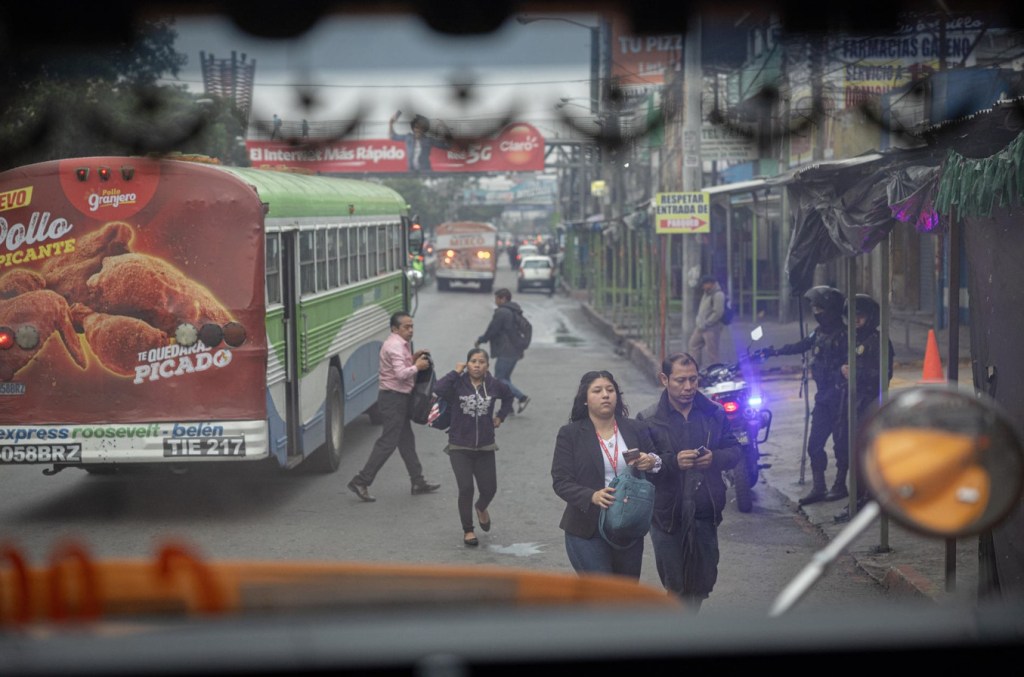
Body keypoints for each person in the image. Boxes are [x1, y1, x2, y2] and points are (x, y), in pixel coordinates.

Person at [636, 352, 741, 612]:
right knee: (676, 585)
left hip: (705, 509)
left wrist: (714, 458)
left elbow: (736, 451)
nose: (688, 387)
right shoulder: (648, 419)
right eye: (680, 380)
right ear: (664, 379)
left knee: (702, 581)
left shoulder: (713, 413)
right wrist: (672, 462)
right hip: (666, 514)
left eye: (693, 380)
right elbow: (640, 466)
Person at [551, 370, 663, 580]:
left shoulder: (636, 429)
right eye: (597, 391)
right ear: (585, 399)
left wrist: (652, 462)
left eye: (610, 390)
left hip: (628, 525)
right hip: (586, 528)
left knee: (625, 596)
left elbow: (659, 462)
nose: (605, 395)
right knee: (601, 596)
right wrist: (592, 496)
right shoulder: (570, 434)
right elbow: (561, 481)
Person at [762, 285, 847, 506]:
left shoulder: (846, 336)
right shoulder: (818, 333)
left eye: (820, 308)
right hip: (823, 399)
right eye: (814, 308)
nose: (816, 312)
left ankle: (840, 485)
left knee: (841, 445)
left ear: (831, 309)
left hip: (841, 399)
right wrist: (776, 351)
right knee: (814, 444)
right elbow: (802, 345)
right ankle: (819, 486)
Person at [348, 312, 441, 502]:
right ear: (394, 329)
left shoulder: (398, 344)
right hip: (393, 400)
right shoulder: (395, 346)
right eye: (406, 327)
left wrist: (413, 358)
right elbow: (400, 374)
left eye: (412, 326)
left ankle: (418, 481)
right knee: (388, 442)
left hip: (397, 398)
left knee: (406, 441)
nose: (410, 330)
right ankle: (361, 481)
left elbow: (398, 366)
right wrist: (418, 367)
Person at [432, 348, 514, 547]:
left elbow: (509, 397)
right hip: (459, 445)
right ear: (467, 364)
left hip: (485, 446)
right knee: (466, 488)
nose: (477, 365)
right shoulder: (457, 384)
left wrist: (500, 416)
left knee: (489, 489)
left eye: (481, 362)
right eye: (473, 361)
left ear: (487, 366)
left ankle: (481, 507)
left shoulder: (494, 385)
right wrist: (455, 372)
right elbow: (438, 389)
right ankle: (468, 530)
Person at [833, 294, 895, 523]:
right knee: (846, 449)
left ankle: (864, 501)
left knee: (866, 454)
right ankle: (857, 497)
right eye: (853, 316)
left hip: (869, 405)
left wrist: (856, 374)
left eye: (860, 316)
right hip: (849, 402)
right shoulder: (851, 339)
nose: (856, 320)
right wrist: (842, 372)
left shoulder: (878, 342)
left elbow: (884, 375)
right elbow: (838, 369)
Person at [475, 288, 531, 414]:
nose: (495, 301)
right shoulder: (513, 311)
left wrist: (481, 340)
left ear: (503, 298)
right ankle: (508, 407)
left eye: (497, 298)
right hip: (514, 350)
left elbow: (492, 330)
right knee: (505, 378)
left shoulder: (503, 312)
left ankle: (522, 397)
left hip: (507, 350)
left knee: (499, 379)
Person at [688, 274, 727, 367]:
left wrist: (707, 322)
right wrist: (699, 321)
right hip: (701, 327)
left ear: (711, 284)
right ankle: (694, 367)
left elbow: (718, 312)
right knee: (693, 344)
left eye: (705, 284)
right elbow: (702, 309)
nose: (703, 287)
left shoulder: (718, 295)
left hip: (712, 328)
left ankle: (715, 371)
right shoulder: (706, 294)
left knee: (712, 352)